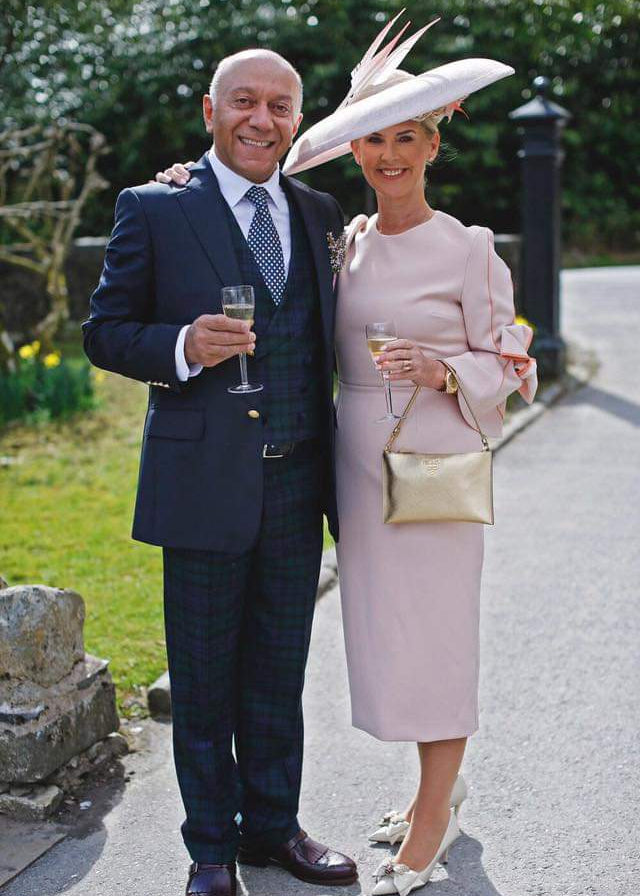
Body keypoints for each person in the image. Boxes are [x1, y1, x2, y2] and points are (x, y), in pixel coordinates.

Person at [157, 15, 537, 896]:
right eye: (375, 139)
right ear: (356, 151)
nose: (390, 154)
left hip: (431, 465)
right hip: (353, 471)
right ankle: (430, 788)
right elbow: (237, 212)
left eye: (409, 137)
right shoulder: (346, 240)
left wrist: (445, 368)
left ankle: (436, 813)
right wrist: (185, 183)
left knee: (437, 634)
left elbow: (517, 359)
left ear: (434, 145)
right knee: (390, 639)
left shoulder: (469, 249)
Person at [83, 49, 357, 896]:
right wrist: (180, 347)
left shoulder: (317, 212)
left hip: (298, 485)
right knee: (202, 680)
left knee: (279, 671)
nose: (261, 120)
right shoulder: (156, 207)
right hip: (204, 485)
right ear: (211, 109)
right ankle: (210, 851)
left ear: (296, 121)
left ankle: (275, 828)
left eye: (280, 106)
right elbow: (104, 331)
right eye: (244, 102)